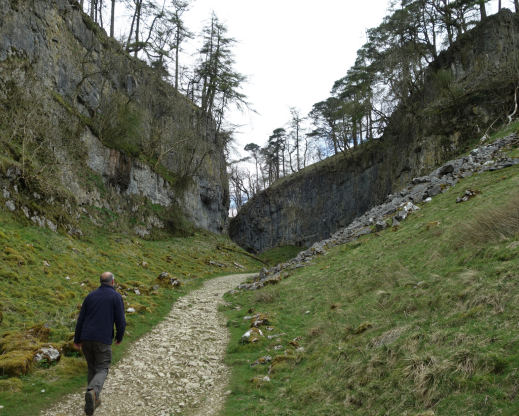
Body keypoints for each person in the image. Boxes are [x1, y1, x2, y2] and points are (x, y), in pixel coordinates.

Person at [74, 272, 126, 416]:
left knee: (92, 367)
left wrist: (77, 339)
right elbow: (120, 321)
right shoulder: (116, 296)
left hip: (86, 337)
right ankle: (92, 392)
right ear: (113, 281)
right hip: (102, 339)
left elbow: (81, 319)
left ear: (101, 281)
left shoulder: (90, 296)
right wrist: (119, 336)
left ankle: (94, 400)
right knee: (102, 368)